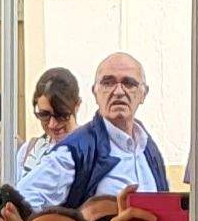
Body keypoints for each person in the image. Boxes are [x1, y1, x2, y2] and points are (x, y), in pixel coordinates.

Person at [18, 52, 176, 210]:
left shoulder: (148, 148)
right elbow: (23, 200)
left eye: (129, 83)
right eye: (108, 83)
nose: (119, 91)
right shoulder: (77, 150)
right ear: (95, 92)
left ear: (143, 94)